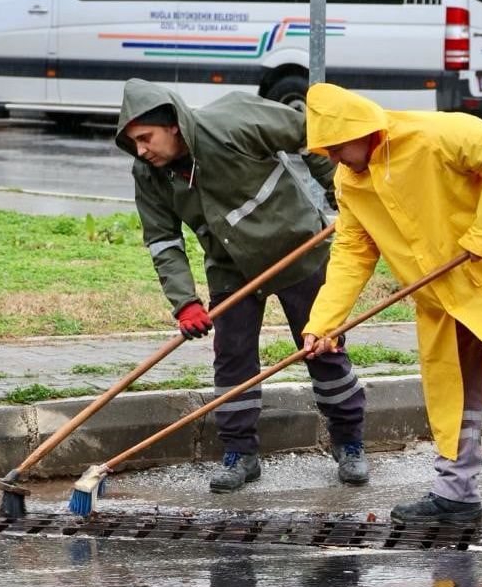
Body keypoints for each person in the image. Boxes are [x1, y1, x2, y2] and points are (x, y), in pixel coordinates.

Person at [298, 83, 482, 536]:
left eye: (335, 146)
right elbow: (352, 251)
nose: (333, 158)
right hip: (443, 293)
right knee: (450, 388)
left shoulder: (436, 134)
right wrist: (324, 323)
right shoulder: (350, 182)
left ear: (363, 130)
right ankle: (455, 496)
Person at [116, 78, 369, 493]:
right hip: (230, 268)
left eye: (146, 138)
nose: (141, 149)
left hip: (297, 249)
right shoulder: (149, 173)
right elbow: (163, 240)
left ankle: (350, 443)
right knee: (232, 363)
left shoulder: (235, 119)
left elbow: (312, 135)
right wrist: (185, 303)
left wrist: (345, 196)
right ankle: (240, 455)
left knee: (323, 347)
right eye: (134, 142)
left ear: (173, 124)